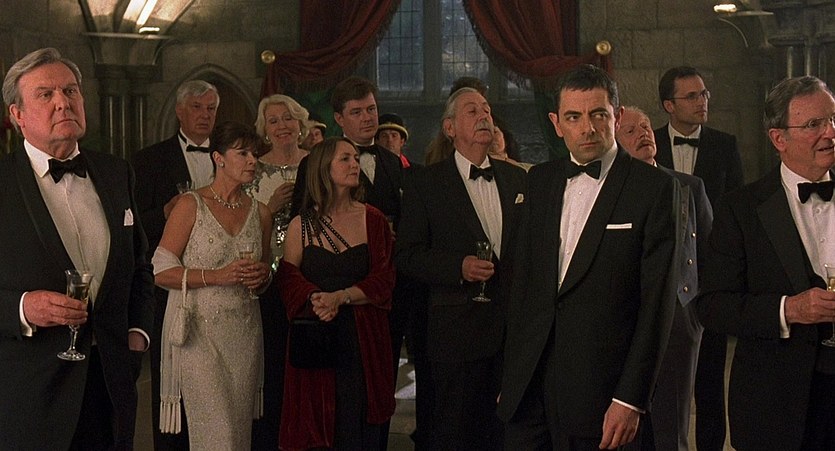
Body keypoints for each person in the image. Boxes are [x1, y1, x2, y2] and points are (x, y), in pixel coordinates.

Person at [499, 65, 678, 450]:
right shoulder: (539, 180)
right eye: (573, 117)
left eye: (598, 114)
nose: (587, 128)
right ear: (556, 123)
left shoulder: (655, 188)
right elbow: (521, 285)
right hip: (528, 393)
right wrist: (509, 376)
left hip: (603, 394)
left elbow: (657, 305)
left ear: (617, 115)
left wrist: (630, 399)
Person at [0, 47, 154, 449]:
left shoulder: (116, 172)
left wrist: (137, 335)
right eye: (45, 94)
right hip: (32, 396)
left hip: (112, 386)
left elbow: (140, 265)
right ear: (17, 115)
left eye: (70, 91)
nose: (62, 102)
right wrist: (22, 308)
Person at [697, 75, 835, 450]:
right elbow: (712, 306)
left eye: (832, 119)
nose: (829, 132)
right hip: (775, 408)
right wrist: (789, 310)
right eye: (814, 124)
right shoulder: (740, 209)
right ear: (779, 139)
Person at [395, 87, 527, 451]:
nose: (484, 116)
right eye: (472, 110)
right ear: (450, 128)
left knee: (508, 435)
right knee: (456, 434)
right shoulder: (426, 183)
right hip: (457, 334)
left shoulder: (517, 179)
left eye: (487, 109)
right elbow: (406, 256)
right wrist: (458, 266)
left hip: (513, 333)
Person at [152, 121, 272, 449]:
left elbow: (265, 273)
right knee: (218, 435)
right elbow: (160, 271)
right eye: (243, 153)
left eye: (255, 154)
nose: (252, 161)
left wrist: (263, 276)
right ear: (218, 158)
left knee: (238, 435)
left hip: (245, 335)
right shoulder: (190, 205)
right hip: (199, 336)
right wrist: (217, 276)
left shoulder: (261, 213)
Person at [277, 137, 396, 450]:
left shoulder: (373, 219)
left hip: (362, 338)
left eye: (356, 158)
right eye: (345, 159)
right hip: (316, 336)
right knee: (317, 427)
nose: (355, 164)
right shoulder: (301, 224)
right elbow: (288, 278)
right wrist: (315, 297)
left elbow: (384, 279)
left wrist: (341, 297)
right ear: (323, 168)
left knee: (357, 426)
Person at [654, 66, 744, 451]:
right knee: (663, 384)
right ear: (668, 105)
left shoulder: (725, 145)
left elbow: (736, 210)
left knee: (710, 379)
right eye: (691, 96)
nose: (702, 102)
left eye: (704, 93)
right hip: (661, 281)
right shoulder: (649, 142)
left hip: (710, 278)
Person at [617, 106, 713, 451]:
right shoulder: (610, 190)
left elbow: (710, 254)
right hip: (624, 317)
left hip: (679, 317)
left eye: (645, 126)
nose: (643, 133)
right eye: (631, 131)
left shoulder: (688, 186)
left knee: (672, 426)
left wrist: (695, 314)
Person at [132, 78, 219, 450]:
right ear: (180, 111)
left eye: (211, 108)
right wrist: (165, 213)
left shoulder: (229, 157)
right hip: (167, 285)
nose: (204, 115)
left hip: (218, 285)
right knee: (170, 378)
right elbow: (133, 225)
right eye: (197, 107)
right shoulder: (149, 160)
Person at [248, 93, 311, 450]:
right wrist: (269, 208)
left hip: (312, 276)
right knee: (273, 363)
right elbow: (238, 227)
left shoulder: (317, 164)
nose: (282, 126)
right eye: (273, 121)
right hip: (268, 280)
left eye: (288, 118)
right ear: (265, 130)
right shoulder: (252, 170)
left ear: (300, 123)